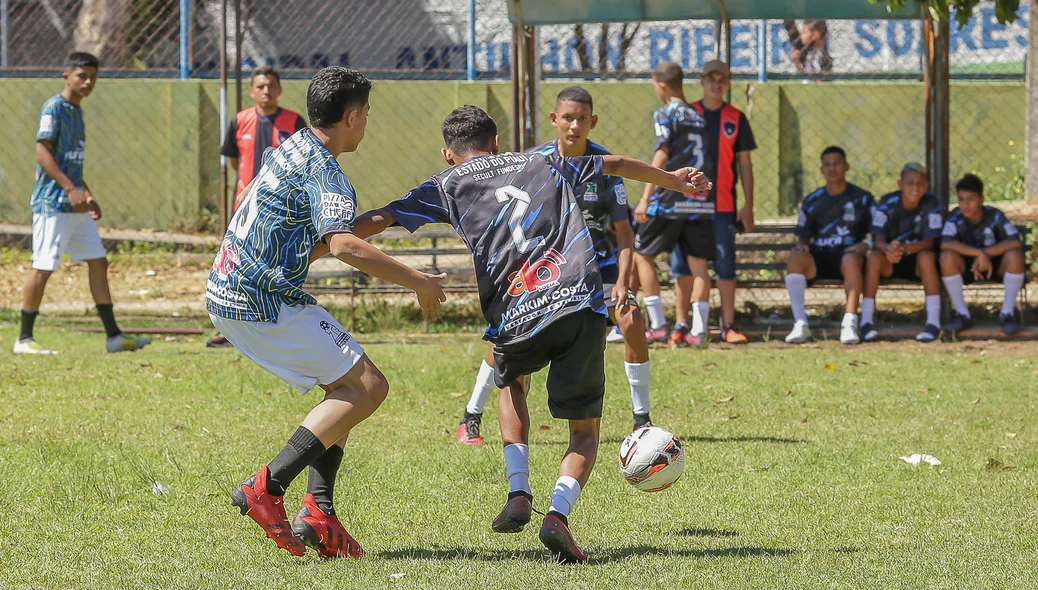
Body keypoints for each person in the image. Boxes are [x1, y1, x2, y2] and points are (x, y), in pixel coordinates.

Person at [352, 105, 709, 564]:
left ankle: (519, 490)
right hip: (578, 298)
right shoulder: (543, 159)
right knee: (584, 430)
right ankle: (558, 515)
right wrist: (673, 179)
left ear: (447, 153)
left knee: (511, 384)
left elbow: (382, 218)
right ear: (496, 142)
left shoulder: (447, 183)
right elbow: (615, 164)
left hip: (518, 307)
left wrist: (326, 239)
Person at [209, 67, 447, 559]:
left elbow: (316, 233)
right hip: (262, 300)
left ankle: (319, 508)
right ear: (353, 116)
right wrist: (419, 280)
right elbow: (341, 244)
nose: (367, 124)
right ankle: (266, 486)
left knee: (340, 389)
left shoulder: (293, 146)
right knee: (367, 387)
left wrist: (375, 223)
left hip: (229, 287)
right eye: (368, 116)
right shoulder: (328, 172)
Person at [454, 87, 653, 446]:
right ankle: (471, 415)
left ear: (592, 121)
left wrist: (625, 282)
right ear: (554, 120)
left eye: (581, 119)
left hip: (598, 269)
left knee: (632, 319)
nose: (574, 125)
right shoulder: (535, 163)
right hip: (545, 268)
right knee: (507, 334)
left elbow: (625, 233)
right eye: (568, 117)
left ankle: (642, 419)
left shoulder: (605, 166)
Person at [14, 52, 150, 356]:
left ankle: (114, 336)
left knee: (98, 262)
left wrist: (85, 194)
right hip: (53, 204)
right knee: (43, 267)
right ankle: (23, 339)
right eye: (81, 75)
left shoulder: (77, 112)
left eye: (92, 76)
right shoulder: (54, 108)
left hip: (75, 206)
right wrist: (68, 189)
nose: (87, 82)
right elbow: (42, 152)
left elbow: (70, 162)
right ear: (66, 76)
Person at [659, 60, 757, 346]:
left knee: (725, 267)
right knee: (683, 268)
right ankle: (681, 323)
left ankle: (728, 325)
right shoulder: (687, 113)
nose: (716, 84)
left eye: (722, 80)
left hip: (724, 205)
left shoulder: (736, 118)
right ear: (701, 81)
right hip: (690, 205)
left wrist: (748, 205)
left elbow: (746, 164)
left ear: (727, 83)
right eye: (711, 79)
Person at [208, 66, 308, 348]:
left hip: (281, 209)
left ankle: (271, 322)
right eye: (260, 86)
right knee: (235, 263)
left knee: (277, 261)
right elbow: (232, 159)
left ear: (279, 89)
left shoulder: (293, 121)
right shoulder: (240, 121)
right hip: (245, 207)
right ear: (252, 91)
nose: (266, 91)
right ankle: (231, 326)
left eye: (271, 86)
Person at [784, 146, 875, 345]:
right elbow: (803, 236)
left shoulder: (862, 198)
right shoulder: (812, 200)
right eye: (827, 165)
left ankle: (849, 323)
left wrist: (865, 245)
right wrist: (802, 245)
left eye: (837, 164)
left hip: (850, 257)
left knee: (851, 259)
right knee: (796, 258)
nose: (832, 169)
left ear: (846, 166)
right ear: (821, 170)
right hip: (821, 255)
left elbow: (877, 233)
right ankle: (801, 324)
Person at [860, 162, 944, 342]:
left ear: (926, 185)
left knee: (927, 257)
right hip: (891, 260)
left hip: (917, 261)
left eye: (920, 183)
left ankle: (933, 323)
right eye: (910, 183)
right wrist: (889, 249)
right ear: (900, 184)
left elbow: (930, 242)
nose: (915, 188)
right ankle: (866, 322)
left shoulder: (931, 203)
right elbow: (878, 239)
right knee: (874, 257)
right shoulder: (887, 202)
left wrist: (903, 248)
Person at [940, 173, 1026, 336]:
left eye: (970, 199)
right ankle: (962, 314)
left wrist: (985, 255)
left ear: (981, 198)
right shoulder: (955, 217)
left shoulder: (994, 215)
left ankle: (1007, 314)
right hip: (967, 269)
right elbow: (945, 243)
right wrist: (978, 253)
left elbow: (1015, 241)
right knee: (946, 257)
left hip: (996, 267)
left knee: (1015, 255)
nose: (965, 205)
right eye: (961, 199)